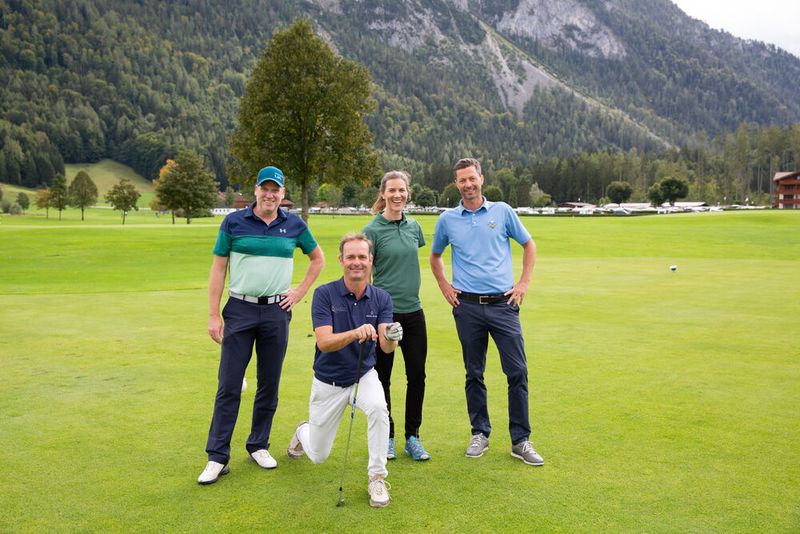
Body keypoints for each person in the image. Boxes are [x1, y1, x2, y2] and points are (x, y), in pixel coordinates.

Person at [197, 165, 325, 485]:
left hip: (276, 312)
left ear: (282, 194)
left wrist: (299, 292)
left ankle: (258, 444)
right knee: (229, 384)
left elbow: (318, 258)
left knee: (269, 383)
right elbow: (218, 269)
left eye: (276, 189)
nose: (270, 194)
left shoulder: (294, 224)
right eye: (265, 188)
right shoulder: (234, 222)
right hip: (239, 309)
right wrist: (214, 315)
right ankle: (217, 456)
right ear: (256, 190)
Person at [429, 157, 544, 466]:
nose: (468, 184)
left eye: (472, 178)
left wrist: (523, 284)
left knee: (517, 371)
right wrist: (445, 287)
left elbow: (529, 245)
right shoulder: (448, 220)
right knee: (474, 373)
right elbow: (435, 256)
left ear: (481, 178)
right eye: (462, 180)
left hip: (504, 305)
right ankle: (480, 433)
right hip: (466, 307)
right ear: (456, 184)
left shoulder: (502, 211)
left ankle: (520, 440)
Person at [286, 233, 403, 508]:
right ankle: (304, 430)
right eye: (350, 257)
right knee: (318, 455)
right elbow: (324, 343)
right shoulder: (325, 294)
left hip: (363, 375)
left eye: (362, 257)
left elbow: (386, 347)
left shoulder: (382, 298)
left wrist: (394, 336)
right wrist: (355, 333)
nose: (357, 262)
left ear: (371, 261)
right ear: (341, 260)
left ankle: (376, 477)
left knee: (378, 409)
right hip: (329, 381)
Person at [362, 171, 430, 462]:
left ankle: (412, 437)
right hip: (385, 315)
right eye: (392, 190)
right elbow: (365, 273)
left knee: (417, 375)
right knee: (383, 378)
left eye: (402, 190)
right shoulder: (372, 230)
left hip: (414, 311)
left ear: (407, 193)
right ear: (383, 194)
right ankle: (387, 436)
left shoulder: (415, 227)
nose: (397, 195)